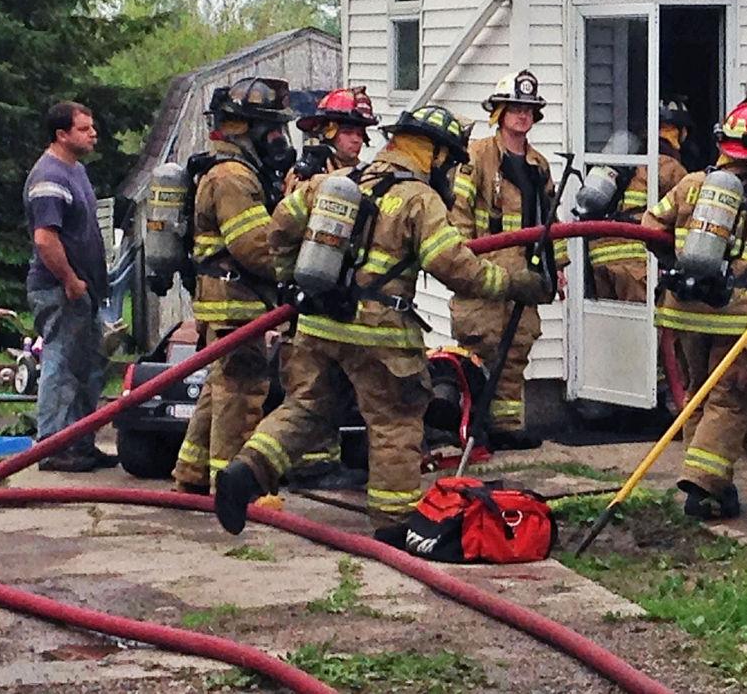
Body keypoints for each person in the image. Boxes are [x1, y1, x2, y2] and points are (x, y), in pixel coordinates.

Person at [214, 105, 550, 532]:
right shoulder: (418, 199)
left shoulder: (339, 182)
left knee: (307, 407)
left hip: (317, 323)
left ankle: (246, 471)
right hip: (379, 332)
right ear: (434, 154)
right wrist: (515, 283)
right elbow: (455, 267)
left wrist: (288, 279)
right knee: (396, 421)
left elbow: (280, 224)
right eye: (449, 161)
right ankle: (394, 524)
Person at [642, 100, 747, 519]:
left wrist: (677, 264)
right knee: (728, 397)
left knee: (696, 393)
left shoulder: (691, 184)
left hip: (682, 309)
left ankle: (711, 482)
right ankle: (703, 487)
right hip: (733, 313)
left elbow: (649, 228)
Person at [172, 78, 297, 493]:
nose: (279, 139)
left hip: (225, 298)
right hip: (234, 300)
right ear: (244, 128)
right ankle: (230, 488)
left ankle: (191, 474)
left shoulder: (234, 171)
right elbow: (256, 247)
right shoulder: (232, 177)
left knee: (219, 387)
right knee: (242, 394)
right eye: (272, 128)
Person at [448, 70, 566, 450]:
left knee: (517, 349)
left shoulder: (539, 164)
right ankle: (470, 425)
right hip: (485, 270)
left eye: (529, 109)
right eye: (515, 108)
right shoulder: (477, 155)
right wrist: (465, 260)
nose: (522, 115)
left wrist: (558, 268)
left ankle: (506, 427)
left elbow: (550, 219)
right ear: (499, 113)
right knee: (483, 347)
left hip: (526, 273)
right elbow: (459, 208)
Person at [281, 87, 378, 485]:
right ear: (330, 130)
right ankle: (310, 463)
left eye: (361, 131)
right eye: (350, 130)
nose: (357, 138)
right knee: (311, 382)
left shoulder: (362, 174)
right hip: (314, 291)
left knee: (340, 380)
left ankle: (331, 459)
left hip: (347, 292)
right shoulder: (309, 175)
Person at [24, 101, 115, 471]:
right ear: (62, 134)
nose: (93, 133)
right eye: (84, 128)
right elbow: (46, 239)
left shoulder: (75, 170)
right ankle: (53, 446)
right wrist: (70, 280)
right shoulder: (49, 177)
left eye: (92, 127)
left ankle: (80, 441)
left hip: (83, 289)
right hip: (60, 289)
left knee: (89, 365)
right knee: (60, 364)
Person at [588, 101, 691, 303]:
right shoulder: (668, 165)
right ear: (679, 131)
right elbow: (689, 211)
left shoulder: (632, 158)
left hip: (599, 255)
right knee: (643, 328)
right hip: (633, 260)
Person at [286, 86, 376, 193]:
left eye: (360, 134)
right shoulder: (305, 175)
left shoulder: (367, 175)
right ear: (328, 134)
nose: (356, 140)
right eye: (347, 132)